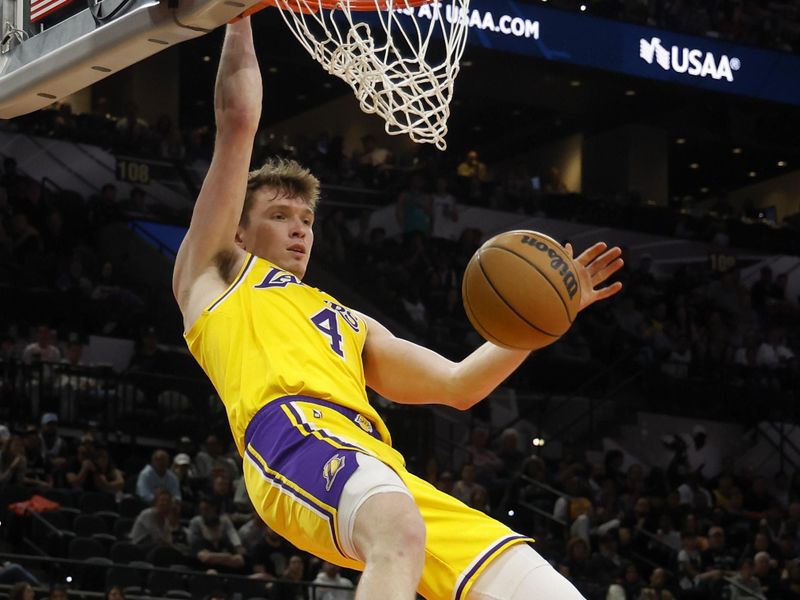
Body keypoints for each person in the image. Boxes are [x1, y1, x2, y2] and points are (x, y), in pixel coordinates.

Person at [172, 19, 623, 600]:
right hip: (291, 436)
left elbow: (459, 384)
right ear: (238, 227)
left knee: (546, 591)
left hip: (379, 464)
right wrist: (239, 17)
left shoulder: (347, 319)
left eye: (307, 220)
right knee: (398, 528)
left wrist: (544, 320)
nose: (299, 230)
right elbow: (237, 123)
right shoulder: (217, 271)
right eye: (281, 216)